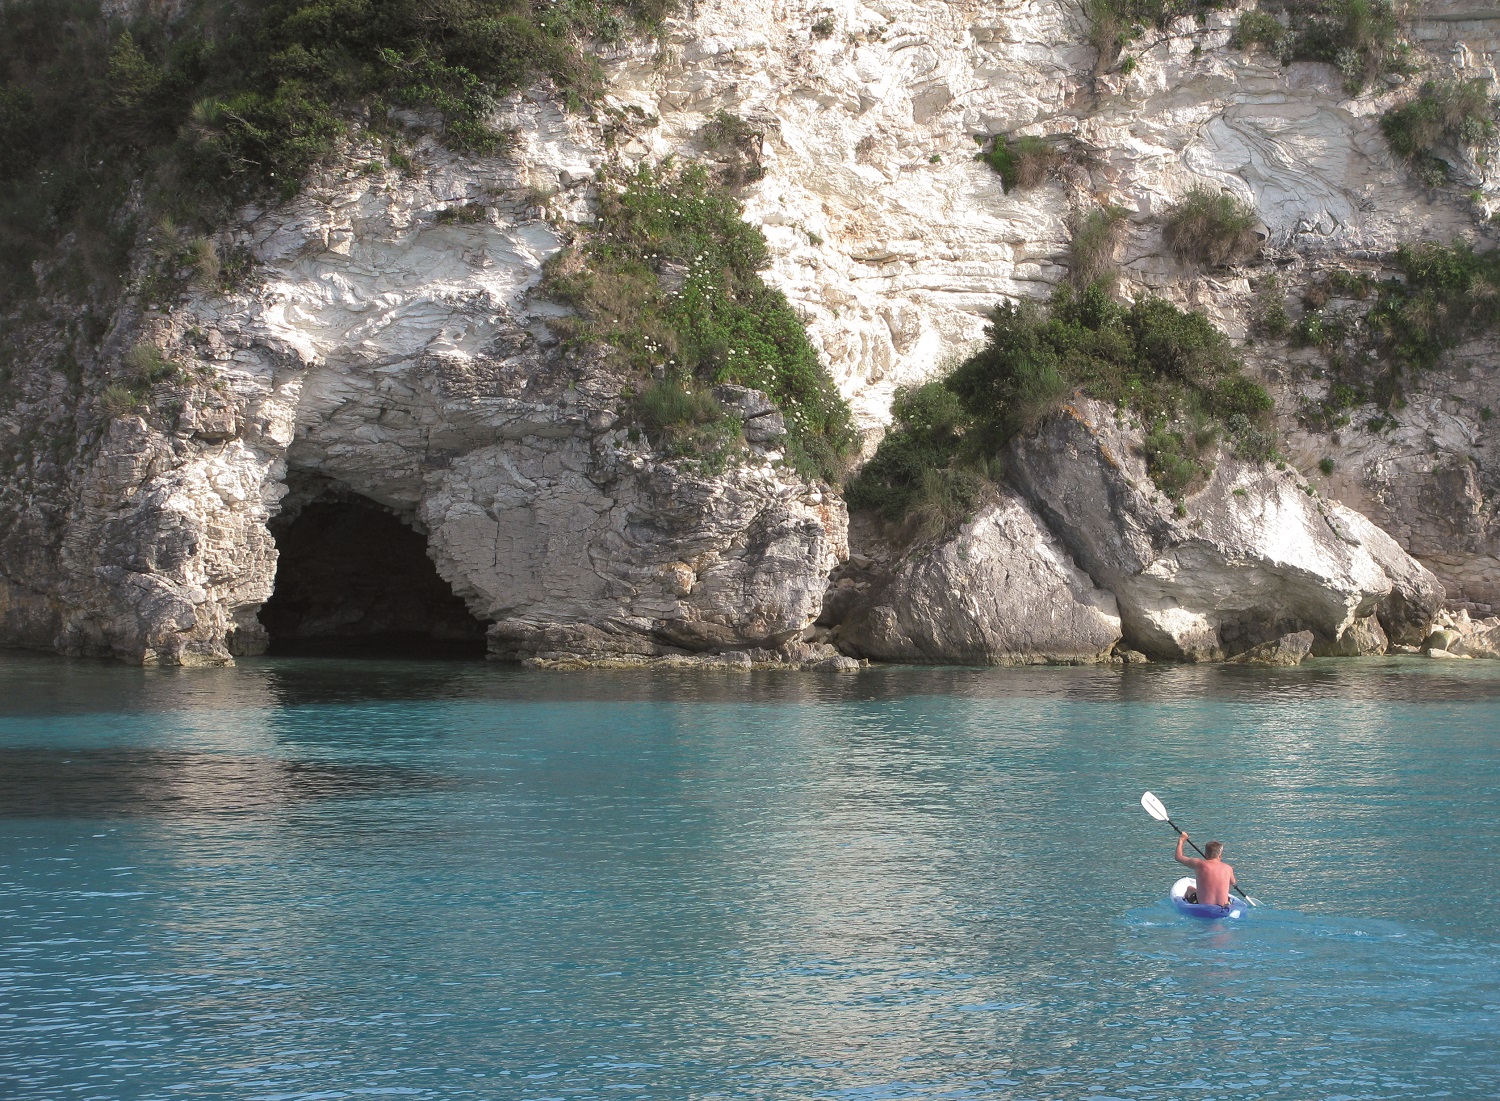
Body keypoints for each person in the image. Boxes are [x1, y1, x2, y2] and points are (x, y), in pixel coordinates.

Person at [1175, 833, 1236, 907]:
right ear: (1220, 855)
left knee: (1189, 888)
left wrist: (1181, 840)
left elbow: (1178, 857)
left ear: (1205, 854)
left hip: (1203, 906)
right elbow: (1233, 882)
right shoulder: (1228, 868)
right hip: (1223, 906)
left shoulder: (1199, 864)